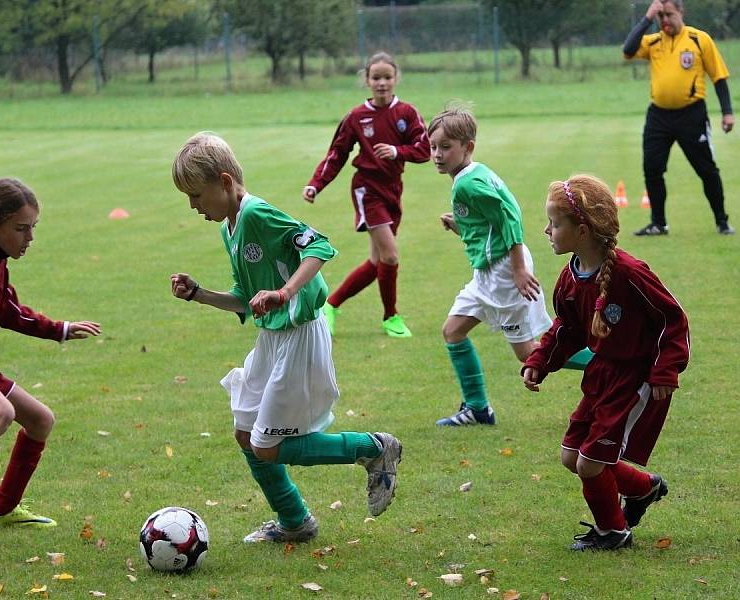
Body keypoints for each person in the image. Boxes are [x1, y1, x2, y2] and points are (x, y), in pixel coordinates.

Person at [171, 132, 402, 544]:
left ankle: (372, 448)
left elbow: (319, 246)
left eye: (196, 195)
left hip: (299, 337)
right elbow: (245, 300)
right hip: (272, 340)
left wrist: (285, 292)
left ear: (224, 182)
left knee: (267, 447)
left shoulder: (258, 214)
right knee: (246, 434)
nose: (193, 206)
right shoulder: (230, 228)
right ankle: (295, 521)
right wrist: (199, 294)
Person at [523, 175, 690, 551]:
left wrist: (665, 370)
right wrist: (540, 361)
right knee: (572, 456)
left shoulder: (629, 274)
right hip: (602, 375)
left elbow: (672, 318)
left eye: (554, 223)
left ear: (581, 231)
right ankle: (643, 489)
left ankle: (613, 532)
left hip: (636, 378)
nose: (546, 230)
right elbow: (566, 328)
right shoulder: (570, 278)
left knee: (590, 463)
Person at [0, 178, 101, 550]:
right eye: (21, 228)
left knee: (40, 419)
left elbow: (9, 313)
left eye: (33, 228)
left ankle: (4, 509)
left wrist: (59, 329)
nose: (29, 237)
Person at [427, 104, 580, 427]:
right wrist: (461, 226)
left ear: (467, 147)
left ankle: (616, 364)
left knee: (529, 354)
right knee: (453, 331)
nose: (437, 154)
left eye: (445, 147)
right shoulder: (474, 174)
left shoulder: (468, 184)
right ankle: (478, 409)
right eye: (433, 147)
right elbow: (491, 222)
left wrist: (518, 269)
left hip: (504, 272)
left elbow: (510, 215)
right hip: (488, 273)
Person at [302, 51, 430, 338]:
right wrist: (315, 184)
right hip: (367, 190)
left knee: (377, 263)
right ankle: (391, 317)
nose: (382, 83)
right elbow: (337, 155)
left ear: (396, 79)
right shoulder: (357, 117)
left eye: (387, 77)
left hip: (393, 190)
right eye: (376, 77)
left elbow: (425, 149)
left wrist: (398, 151)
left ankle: (330, 305)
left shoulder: (407, 113)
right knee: (391, 256)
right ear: (367, 81)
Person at [624, 0, 735, 236]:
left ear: (681, 12)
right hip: (659, 116)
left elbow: (719, 77)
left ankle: (722, 221)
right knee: (652, 169)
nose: (665, 21)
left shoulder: (699, 39)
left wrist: (727, 112)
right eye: (660, 16)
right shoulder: (654, 42)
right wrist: (646, 19)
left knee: (706, 170)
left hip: (692, 115)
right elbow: (628, 50)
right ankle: (658, 223)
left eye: (669, 15)